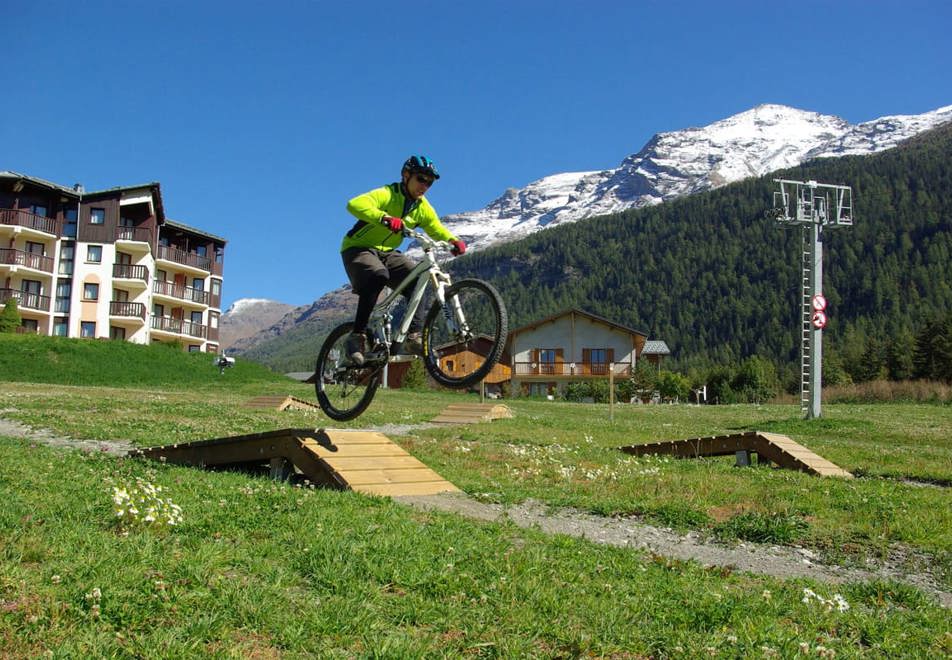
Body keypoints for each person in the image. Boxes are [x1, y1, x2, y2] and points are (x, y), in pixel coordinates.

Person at [340, 155, 466, 365]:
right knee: (378, 275)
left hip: (388, 252)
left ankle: (414, 336)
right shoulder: (388, 194)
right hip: (358, 248)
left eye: (429, 182)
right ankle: (357, 337)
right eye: (420, 179)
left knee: (418, 281)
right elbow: (354, 204)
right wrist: (385, 218)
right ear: (406, 176)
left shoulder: (422, 207)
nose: (424, 185)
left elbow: (435, 227)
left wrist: (453, 240)